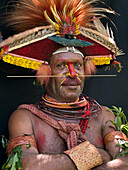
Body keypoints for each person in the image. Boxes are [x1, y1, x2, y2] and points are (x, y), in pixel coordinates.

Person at [0, 0, 128, 169]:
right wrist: (97, 155)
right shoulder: (25, 117)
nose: (73, 74)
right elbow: (28, 165)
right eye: (61, 66)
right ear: (46, 72)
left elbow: (125, 162)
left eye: (78, 65)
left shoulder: (104, 115)